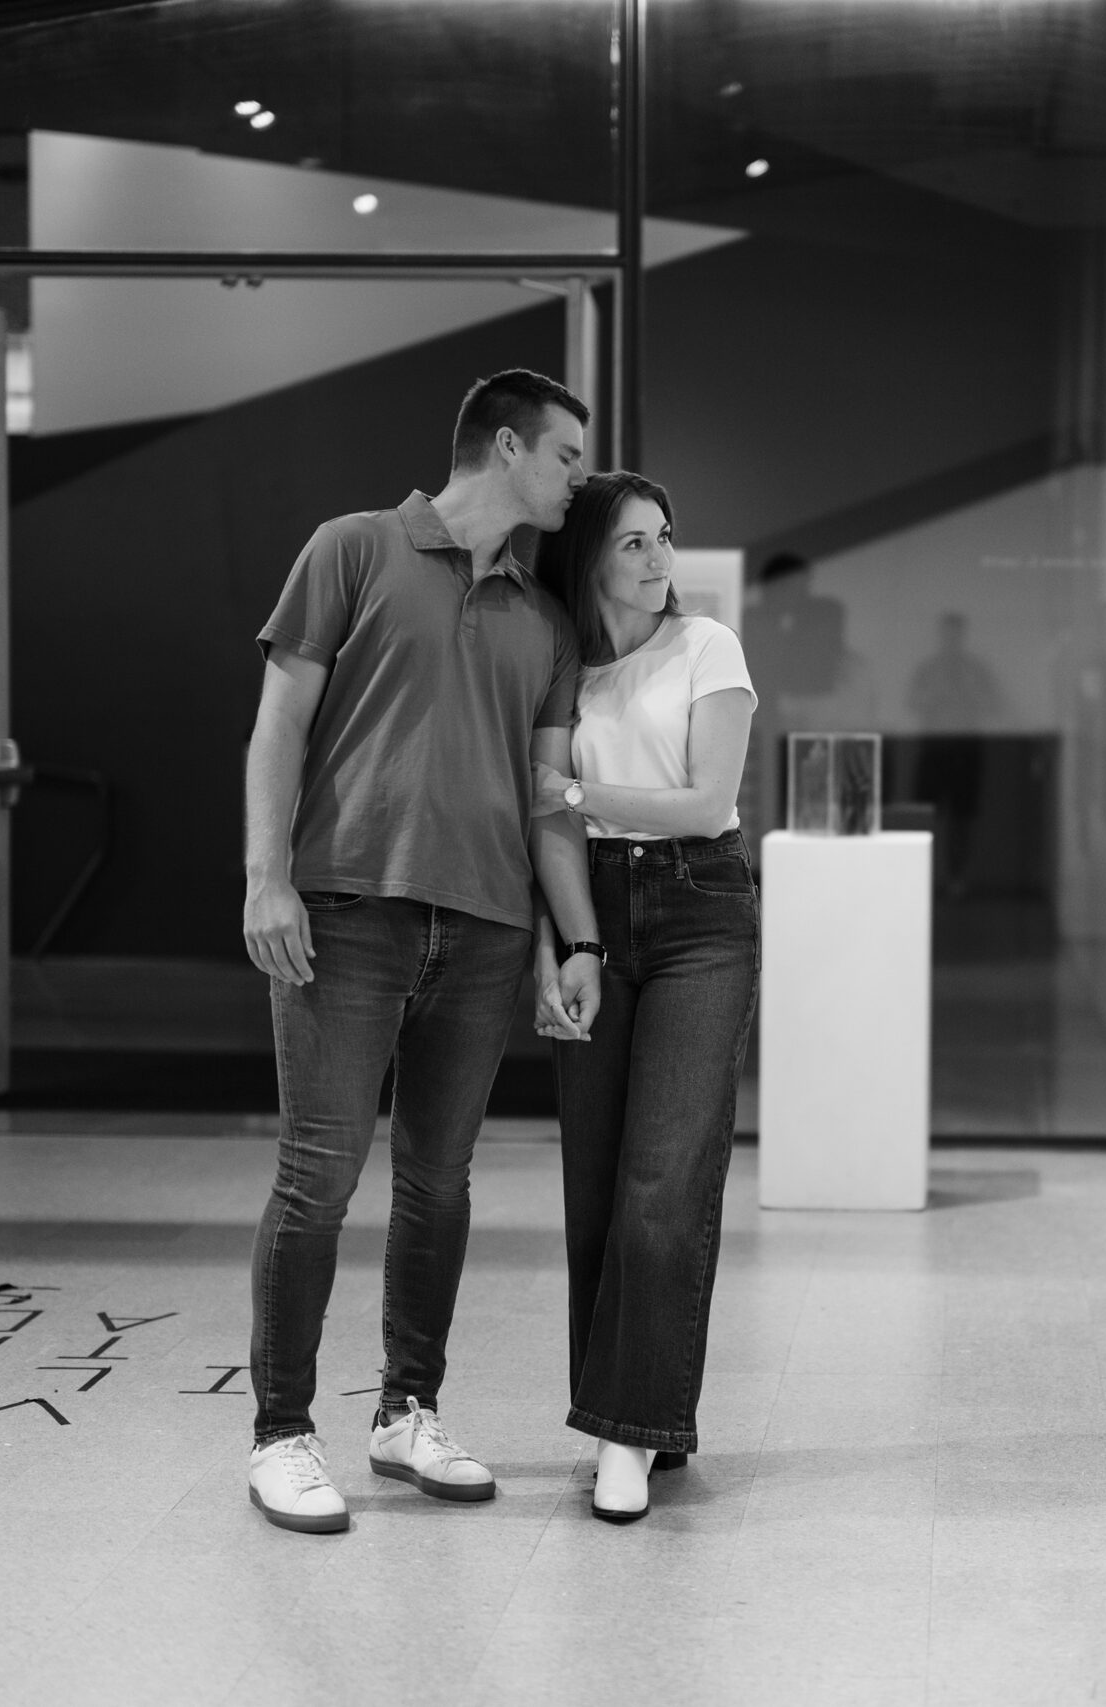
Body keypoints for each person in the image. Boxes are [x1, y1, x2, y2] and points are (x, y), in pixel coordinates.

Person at [237, 369, 606, 1535]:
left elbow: (546, 803)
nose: (576, 484)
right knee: (319, 1176)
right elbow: (278, 725)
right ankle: (283, 1434)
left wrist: (568, 938)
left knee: (439, 1182)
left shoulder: (545, 621)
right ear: (505, 446)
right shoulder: (351, 549)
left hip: (488, 926)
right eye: (565, 460)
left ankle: (408, 1411)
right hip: (346, 912)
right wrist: (265, 879)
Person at [527, 471, 759, 1523]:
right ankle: (628, 1411)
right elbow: (546, 829)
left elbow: (704, 801)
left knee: (666, 1182)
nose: (660, 559)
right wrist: (571, 939)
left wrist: (577, 790)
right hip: (595, 915)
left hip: (698, 909)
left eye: (665, 536)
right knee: (596, 1184)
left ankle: (628, 1434)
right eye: (633, 544)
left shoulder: (709, 647)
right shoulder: (558, 666)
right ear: (587, 560)